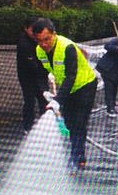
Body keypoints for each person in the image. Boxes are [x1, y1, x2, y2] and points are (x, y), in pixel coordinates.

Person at [33, 18, 97, 170]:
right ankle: (77, 153)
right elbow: (40, 74)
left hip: (85, 85)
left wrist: (58, 100)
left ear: (54, 34)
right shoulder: (39, 51)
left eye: (47, 39)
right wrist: (44, 91)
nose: (44, 44)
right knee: (69, 122)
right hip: (68, 89)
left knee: (79, 123)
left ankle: (77, 158)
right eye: (40, 40)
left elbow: (71, 75)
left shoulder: (67, 47)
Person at [17, 17, 49, 133]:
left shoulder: (38, 39)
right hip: (28, 77)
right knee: (30, 101)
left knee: (44, 99)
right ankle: (28, 126)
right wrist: (46, 71)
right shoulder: (23, 43)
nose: (34, 32)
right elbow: (32, 64)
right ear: (26, 29)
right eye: (32, 30)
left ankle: (45, 125)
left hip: (41, 75)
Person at [96, 38, 118, 117]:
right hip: (107, 69)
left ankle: (113, 107)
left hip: (116, 71)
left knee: (114, 89)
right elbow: (107, 46)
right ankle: (110, 109)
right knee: (109, 89)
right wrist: (117, 49)